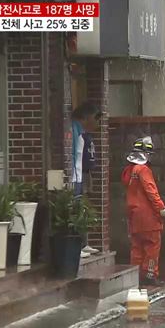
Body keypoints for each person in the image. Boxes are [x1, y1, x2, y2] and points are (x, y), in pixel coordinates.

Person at [121, 136, 165, 287]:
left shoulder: (128, 171)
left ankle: (136, 276)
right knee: (152, 246)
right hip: (148, 217)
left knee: (136, 247)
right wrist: (161, 208)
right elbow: (151, 191)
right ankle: (149, 275)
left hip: (133, 215)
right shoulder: (143, 170)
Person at [71, 101, 101, 258]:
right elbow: (73, 154)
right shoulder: (74, 129)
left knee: (80, 207)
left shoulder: (84, 133)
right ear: (87, 117)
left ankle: (82, 243)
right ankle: (78, 245)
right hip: (74, 177)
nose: (97, 123)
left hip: (79, 176)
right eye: (96, 119)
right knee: (75, 209)